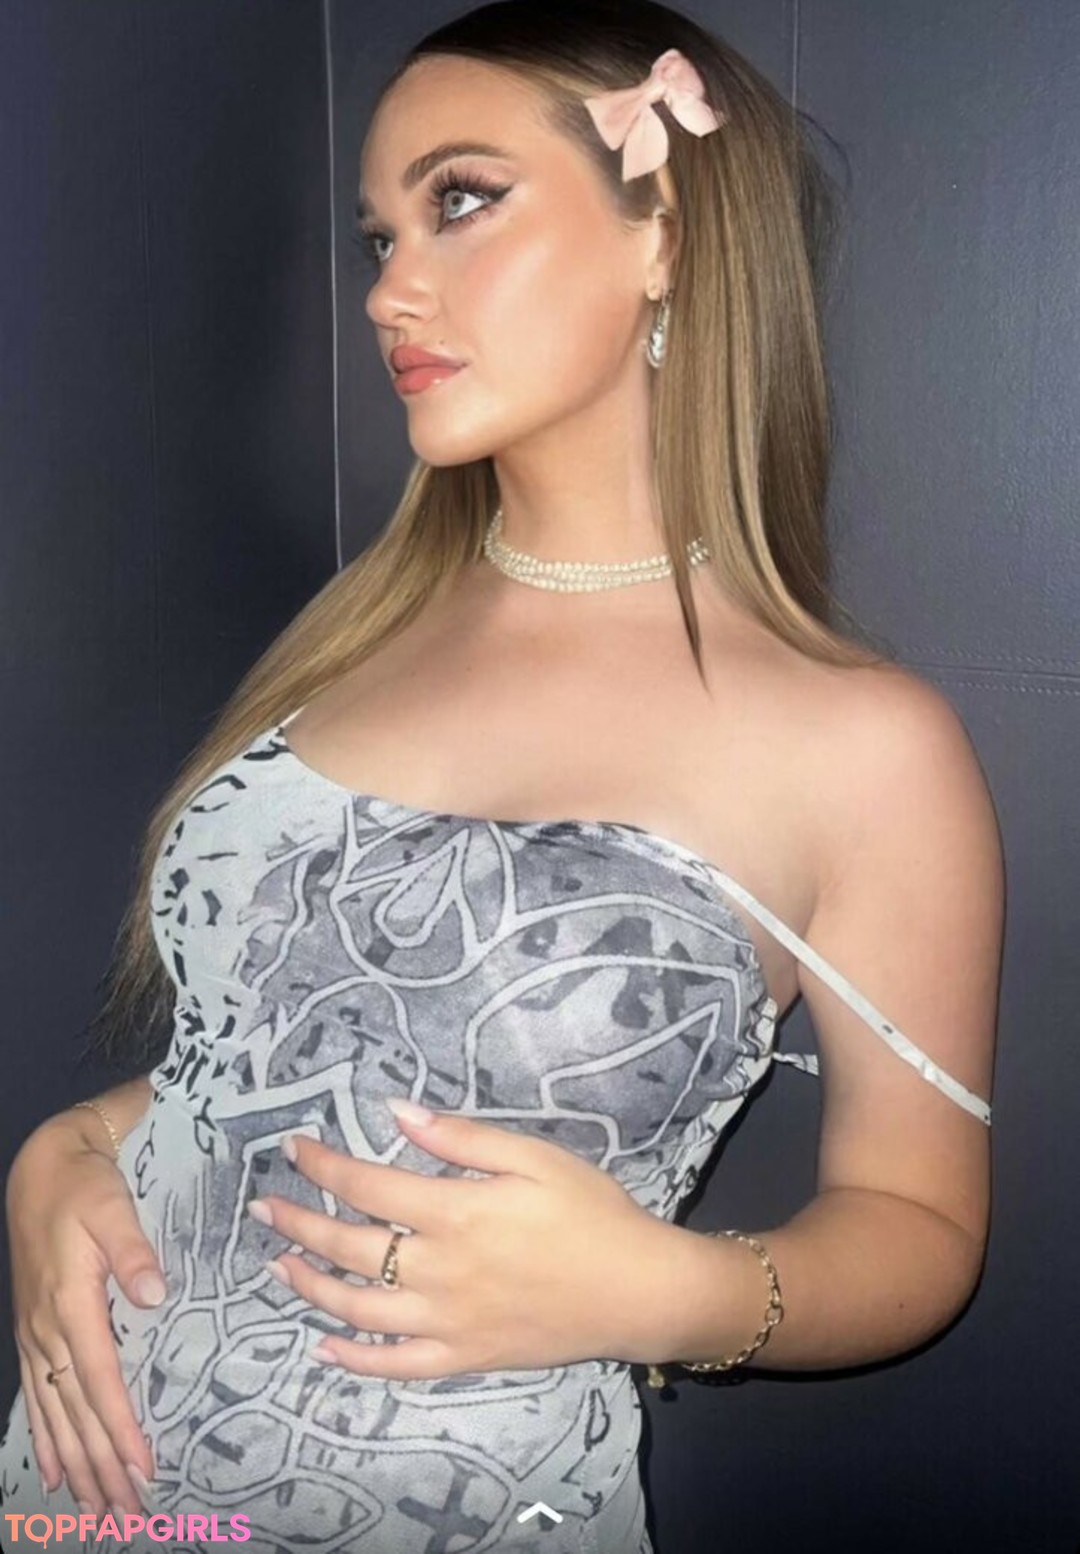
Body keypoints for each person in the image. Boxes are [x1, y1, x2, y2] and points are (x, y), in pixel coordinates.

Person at [0, 1, 1002, 1550]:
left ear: (663, 227)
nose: (390, 287)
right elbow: (316, 1047)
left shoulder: (861, 743)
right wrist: (73, 1143)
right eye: (378, 237)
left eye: (459, 200)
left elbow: (920, 1223)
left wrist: (673, 1290)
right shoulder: (352, 641)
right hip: (85, 1497)